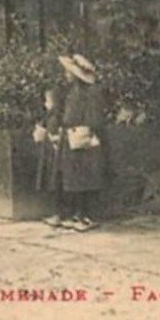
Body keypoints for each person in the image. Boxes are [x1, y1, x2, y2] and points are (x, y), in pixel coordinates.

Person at [36, 55, 106, 233]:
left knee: (82, 178)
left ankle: (84, 215)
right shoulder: (71, 91)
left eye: (69, 72)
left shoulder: (90, 92)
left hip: (82, 140)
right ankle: (70, 213)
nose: (66, 74)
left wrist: (85, 129)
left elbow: (95, 118)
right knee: (67, 177)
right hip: (69, 138)